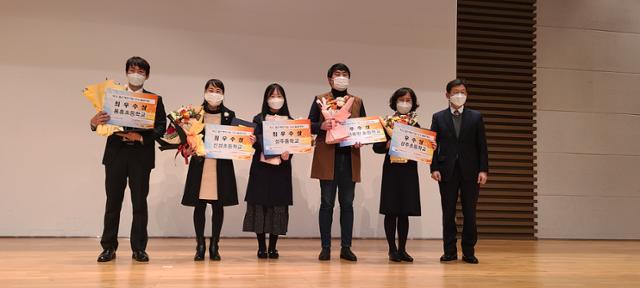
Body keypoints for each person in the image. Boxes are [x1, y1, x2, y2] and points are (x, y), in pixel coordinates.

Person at [91, 56, 167, 262]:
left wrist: (141, 136)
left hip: (140, 156)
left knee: (139, 204)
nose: (136, 74)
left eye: (141, 71)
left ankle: (139, 248)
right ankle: (108, 247)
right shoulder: (113, 95)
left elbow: (161, 127)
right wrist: (93, 122)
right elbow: (100, 122)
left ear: (147, 75)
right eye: (133, 70)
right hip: (116, 154)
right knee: (113, 202)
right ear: (126, 72)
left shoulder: (155, 100)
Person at [181, 79, 255, 261]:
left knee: (218, 206)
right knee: (199, 207)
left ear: (223, 94)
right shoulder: (193, 114)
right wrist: (187, 149)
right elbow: (185, 140)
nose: (214, 93)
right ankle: (200, 245)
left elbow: (237, 139)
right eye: (211, 89)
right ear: (205, 92)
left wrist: (248, 141)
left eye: (218, 90)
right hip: (200, 165)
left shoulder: (230, 115)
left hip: (220, 167)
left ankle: (215, 245)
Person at [308, 63, 366, 261]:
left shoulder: (356, 101)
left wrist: (362, 140)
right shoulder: (320, 99)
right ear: (329, 78)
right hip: (328, 157)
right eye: (337, 74)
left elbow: (364, 128)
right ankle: (325, 247)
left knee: (347, 204)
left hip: (350, 158)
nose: (341, 77)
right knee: (326, 204)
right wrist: (321, 125)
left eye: (344, 74)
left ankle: (346, 247)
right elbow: (309, 125)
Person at [430, 78, 488, 264]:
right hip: (446, 171)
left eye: (462, 92)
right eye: (455, 92)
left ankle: (469, 252)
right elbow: (432, 145)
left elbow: (482, 146)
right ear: (447, 95)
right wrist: (434, 168)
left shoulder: (476, 117)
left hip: (471, 171)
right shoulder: (438, 117)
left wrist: (483, 170)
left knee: (470, 212)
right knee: (448, 213)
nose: (459, 95)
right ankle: (449, 251)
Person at [243, 83, 294, 259]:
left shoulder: (291, 121)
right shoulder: (258, 119)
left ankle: (273, 247)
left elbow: (294, 145)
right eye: (272, 96)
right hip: (261, 170)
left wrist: (289, 154)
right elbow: (255, 141)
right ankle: (261, 247)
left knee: (277, 208)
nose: (276, 99)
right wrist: (252, 140)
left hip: (281, 170)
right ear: (266, 99)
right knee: (260, 207)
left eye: (279, 95)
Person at [372, 87, 421, 262]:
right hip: (392, 171)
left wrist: (429, 148)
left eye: (408, 100)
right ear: (395, 101)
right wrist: (387, 144)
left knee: (405, 211)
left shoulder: (415, 124)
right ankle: (392, 249)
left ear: (413, 103)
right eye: (402, 99)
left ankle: (403, 249)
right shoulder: (386, 122)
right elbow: (376, 147)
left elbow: (422, 146)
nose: (405, 103)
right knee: (391, 210)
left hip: (408, 171)